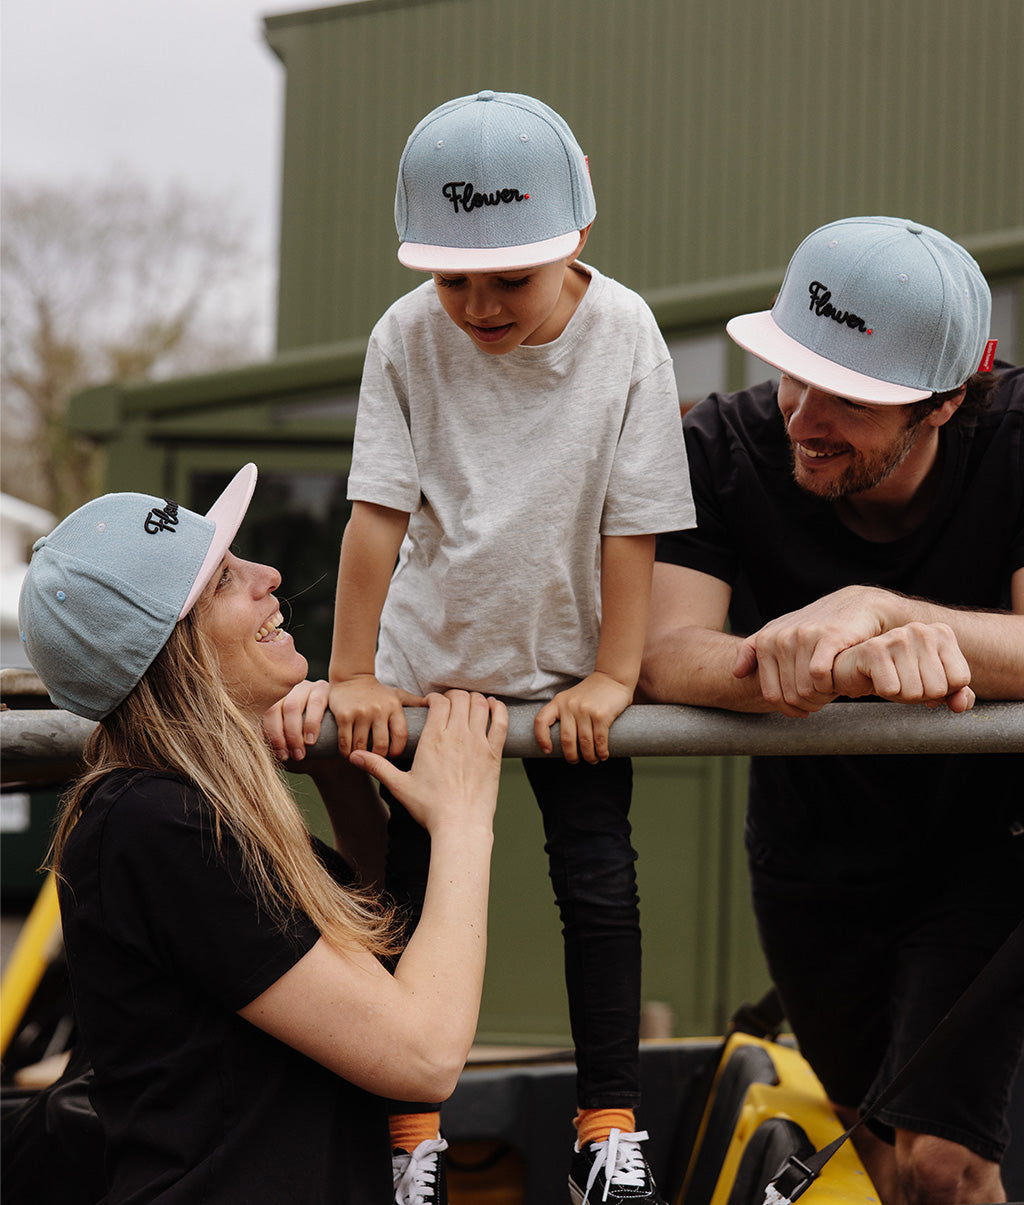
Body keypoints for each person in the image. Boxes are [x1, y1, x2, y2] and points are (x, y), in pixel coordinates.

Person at [269, 90, 695, 1205]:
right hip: (424, 666)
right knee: (405, 886)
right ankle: (411, 1134)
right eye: (453, 276)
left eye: (508, 276)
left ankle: (606, 1126)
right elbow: (376, 512)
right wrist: (355, 670)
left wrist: (613, 673)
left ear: (577, 235)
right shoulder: (407, 336)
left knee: (597, 881)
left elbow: (632, 518)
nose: (477, 304)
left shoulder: (629, 336)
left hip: (563, 672)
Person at [639, 215, 1024, 1205]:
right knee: (889, 1166)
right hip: (809, 855)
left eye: (848, 395)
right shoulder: (723, 443)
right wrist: (836, 660)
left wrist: (883, 609)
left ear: (943, 404)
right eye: (789, 370)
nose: (803, 412)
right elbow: (663, 651)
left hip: (989, 846)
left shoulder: (1018, 439)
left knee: (947, 1162)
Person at [16, 464, 508, 1205]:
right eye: (222, 579)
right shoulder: (158, 825)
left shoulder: (190, 811)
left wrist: (342, 780)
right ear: (172, 650)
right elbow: (423, 1052)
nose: (269, 574)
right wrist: (467, 820)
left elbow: (377, 954)